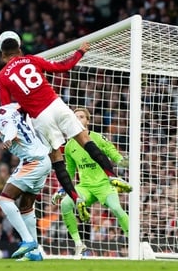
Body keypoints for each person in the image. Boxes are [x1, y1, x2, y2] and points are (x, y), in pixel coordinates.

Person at [0, 31, 131, 213]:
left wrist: (16, 122)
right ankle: (111, 175)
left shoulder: (2, 77)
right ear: (19, 49)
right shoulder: (31, 60)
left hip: (40, 118)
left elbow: (7, 109)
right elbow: (62, 67)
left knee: (56, 159)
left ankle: (75, 198)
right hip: (56, 104)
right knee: (85, 140)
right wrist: (80, 52)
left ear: (3, 55)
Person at [0, 98, 51, 261]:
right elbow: (22, 105)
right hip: (43, 159)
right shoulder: (9, 108)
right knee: (26, 206)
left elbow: (10, 128)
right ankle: (35, 253)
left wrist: (8, 139)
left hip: (33, 162)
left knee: (4, 200)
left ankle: (27, 241)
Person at [51, 107, 129, 258]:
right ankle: (79, 244)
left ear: (88, 121)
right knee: (65, 204)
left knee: (117, 209)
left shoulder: (98, 138)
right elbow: (70, 172)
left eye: (81, 117)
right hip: (85, 187)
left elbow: (111, 152)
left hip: (103, 185)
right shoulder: (69, 146)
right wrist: (62, 190)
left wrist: (121, 160)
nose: (78, 120)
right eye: (75, 117)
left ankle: (133, 241)